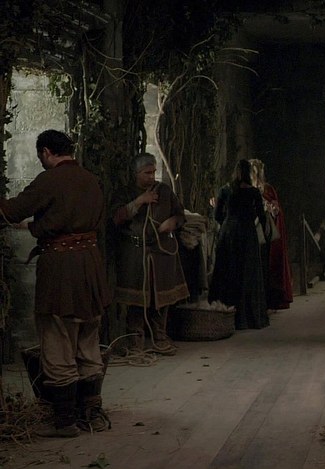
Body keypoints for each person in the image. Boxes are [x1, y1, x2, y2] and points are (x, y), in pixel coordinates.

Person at [0, 130, 112, 437]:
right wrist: (38, 226)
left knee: (57, 339)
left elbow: (11, 211)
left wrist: (31, 223)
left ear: (47, 152)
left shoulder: (49, 180)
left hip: (61, 269)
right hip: (90, 265)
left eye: (40, 156)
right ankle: (91, 414)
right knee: (88, 339)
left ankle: (64, 421)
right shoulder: (91, 180)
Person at [111, 153, 189, 356]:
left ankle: (160, 338)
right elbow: (116, 218)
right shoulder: (125, 193)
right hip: (135, 254)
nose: (152, 176)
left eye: (154, 172)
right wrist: (139, 201)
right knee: (137, 299)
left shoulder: (164, 191)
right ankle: (135, 341)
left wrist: (173, 222)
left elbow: (180, 214)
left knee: (161, 298)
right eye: (147, 173)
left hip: (161, 253)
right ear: (136, 173)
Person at [209, 159, 270, 329]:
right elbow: (262, 216)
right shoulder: (253, 192)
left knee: (227, 270)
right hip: (247, 234)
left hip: (228, 233)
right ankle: (247, 318)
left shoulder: (226, 190)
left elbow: (217, 215)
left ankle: (225, 314)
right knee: (247, 273)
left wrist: (228, 223)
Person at [249, 159, 293, 310]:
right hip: (250, 231)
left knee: (265, 265)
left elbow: (276, 211)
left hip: (264, 233)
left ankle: (267, 299)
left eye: (253, 171)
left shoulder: (267, 189)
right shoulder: (246, 188)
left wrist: (271, 209)